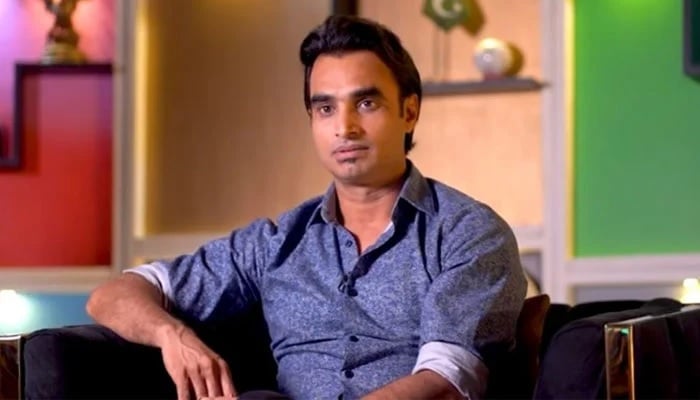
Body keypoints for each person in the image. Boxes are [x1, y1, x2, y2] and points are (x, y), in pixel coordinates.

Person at [87, 15, 526, 400]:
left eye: (366, 103)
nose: (345, 128)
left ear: (409, 111)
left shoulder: (468, 232)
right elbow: (113, 296)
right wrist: (173, 335)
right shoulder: (275, 243)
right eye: (325, 108)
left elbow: (447, 381)